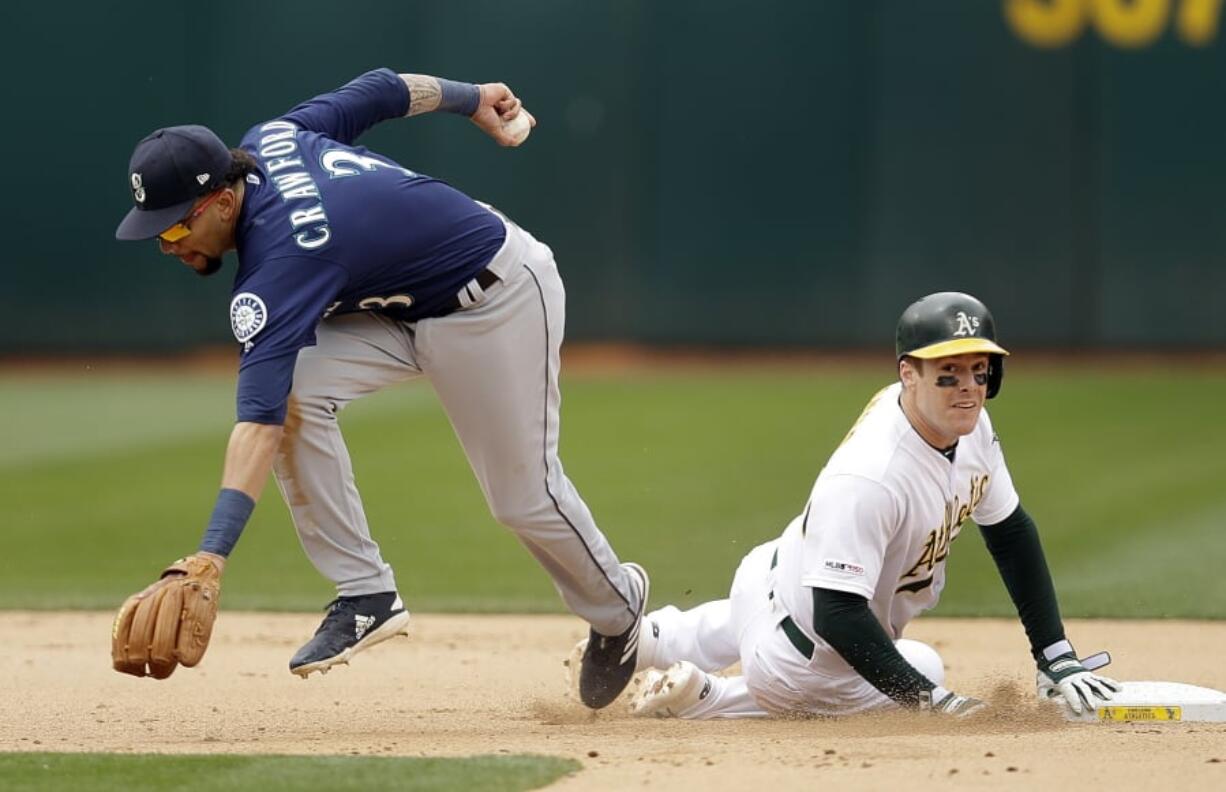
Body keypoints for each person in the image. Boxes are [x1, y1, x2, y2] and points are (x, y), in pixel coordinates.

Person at [113, 68, 646, 709]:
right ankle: (365, 591)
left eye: (174, 229)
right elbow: (384, 88)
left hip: (496, 298)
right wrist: (472, 98)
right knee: (296, 395)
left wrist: (211, 554)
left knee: (522, 497)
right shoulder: (273, 137)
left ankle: (619, 612)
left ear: (223, 201)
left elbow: (254, 427)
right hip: (401, 307)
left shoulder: (281, 268)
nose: (167, 245)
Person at [604, 292, 1120, 719]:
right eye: (949, 372)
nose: (968, 388)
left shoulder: (967, 427)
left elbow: (1009, 532)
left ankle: (654, 638)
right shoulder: (872, 474)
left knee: (819, 618)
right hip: (801, 658)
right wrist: (931, 703)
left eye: (980, 372)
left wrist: (1054, 656)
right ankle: (706, 699)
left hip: (772, 575)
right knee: (923, 667)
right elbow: (838, 614)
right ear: (908, 374)